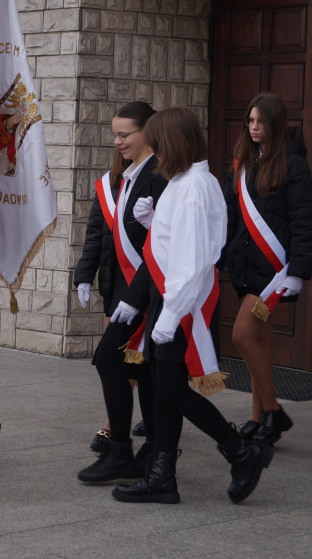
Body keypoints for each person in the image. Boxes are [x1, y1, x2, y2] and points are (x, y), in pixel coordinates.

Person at [111, 106, 272, 505]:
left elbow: (193, 258)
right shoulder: (182, 181)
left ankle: (240, 450)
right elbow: (176, 243)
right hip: (169, 300)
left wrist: (169, 316)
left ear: (173, 143)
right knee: (166, 388)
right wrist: (154, 225)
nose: (154, 152)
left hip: (178, 305)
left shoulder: (195, 187)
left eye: (158, 143)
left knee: (171, 390)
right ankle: (164, 476)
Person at [73, 101, 165, 483]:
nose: (118, 141)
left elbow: (160, 246)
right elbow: (100, 232)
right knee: (137, 369)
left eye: (124, 134)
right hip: (124, 290)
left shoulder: (158, 177)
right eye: (116, 134)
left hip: (147, 294)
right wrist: (85, 274)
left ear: (148, 132)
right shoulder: (124, 177)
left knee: (111, 362)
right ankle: (153, 449)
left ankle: (125, 449)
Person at [224, 93, 312, 445]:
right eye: (250, 121)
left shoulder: (294, 165)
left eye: (261, 121)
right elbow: (233, 218)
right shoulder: (243, 163)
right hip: (249, 268)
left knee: (242, 335)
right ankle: (258, 418)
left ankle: (274, 413)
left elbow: (305, 223)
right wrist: (223, 255)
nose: (254, 127)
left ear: (276, 124)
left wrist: (298, 272)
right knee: (258, 341)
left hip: (276, 276)